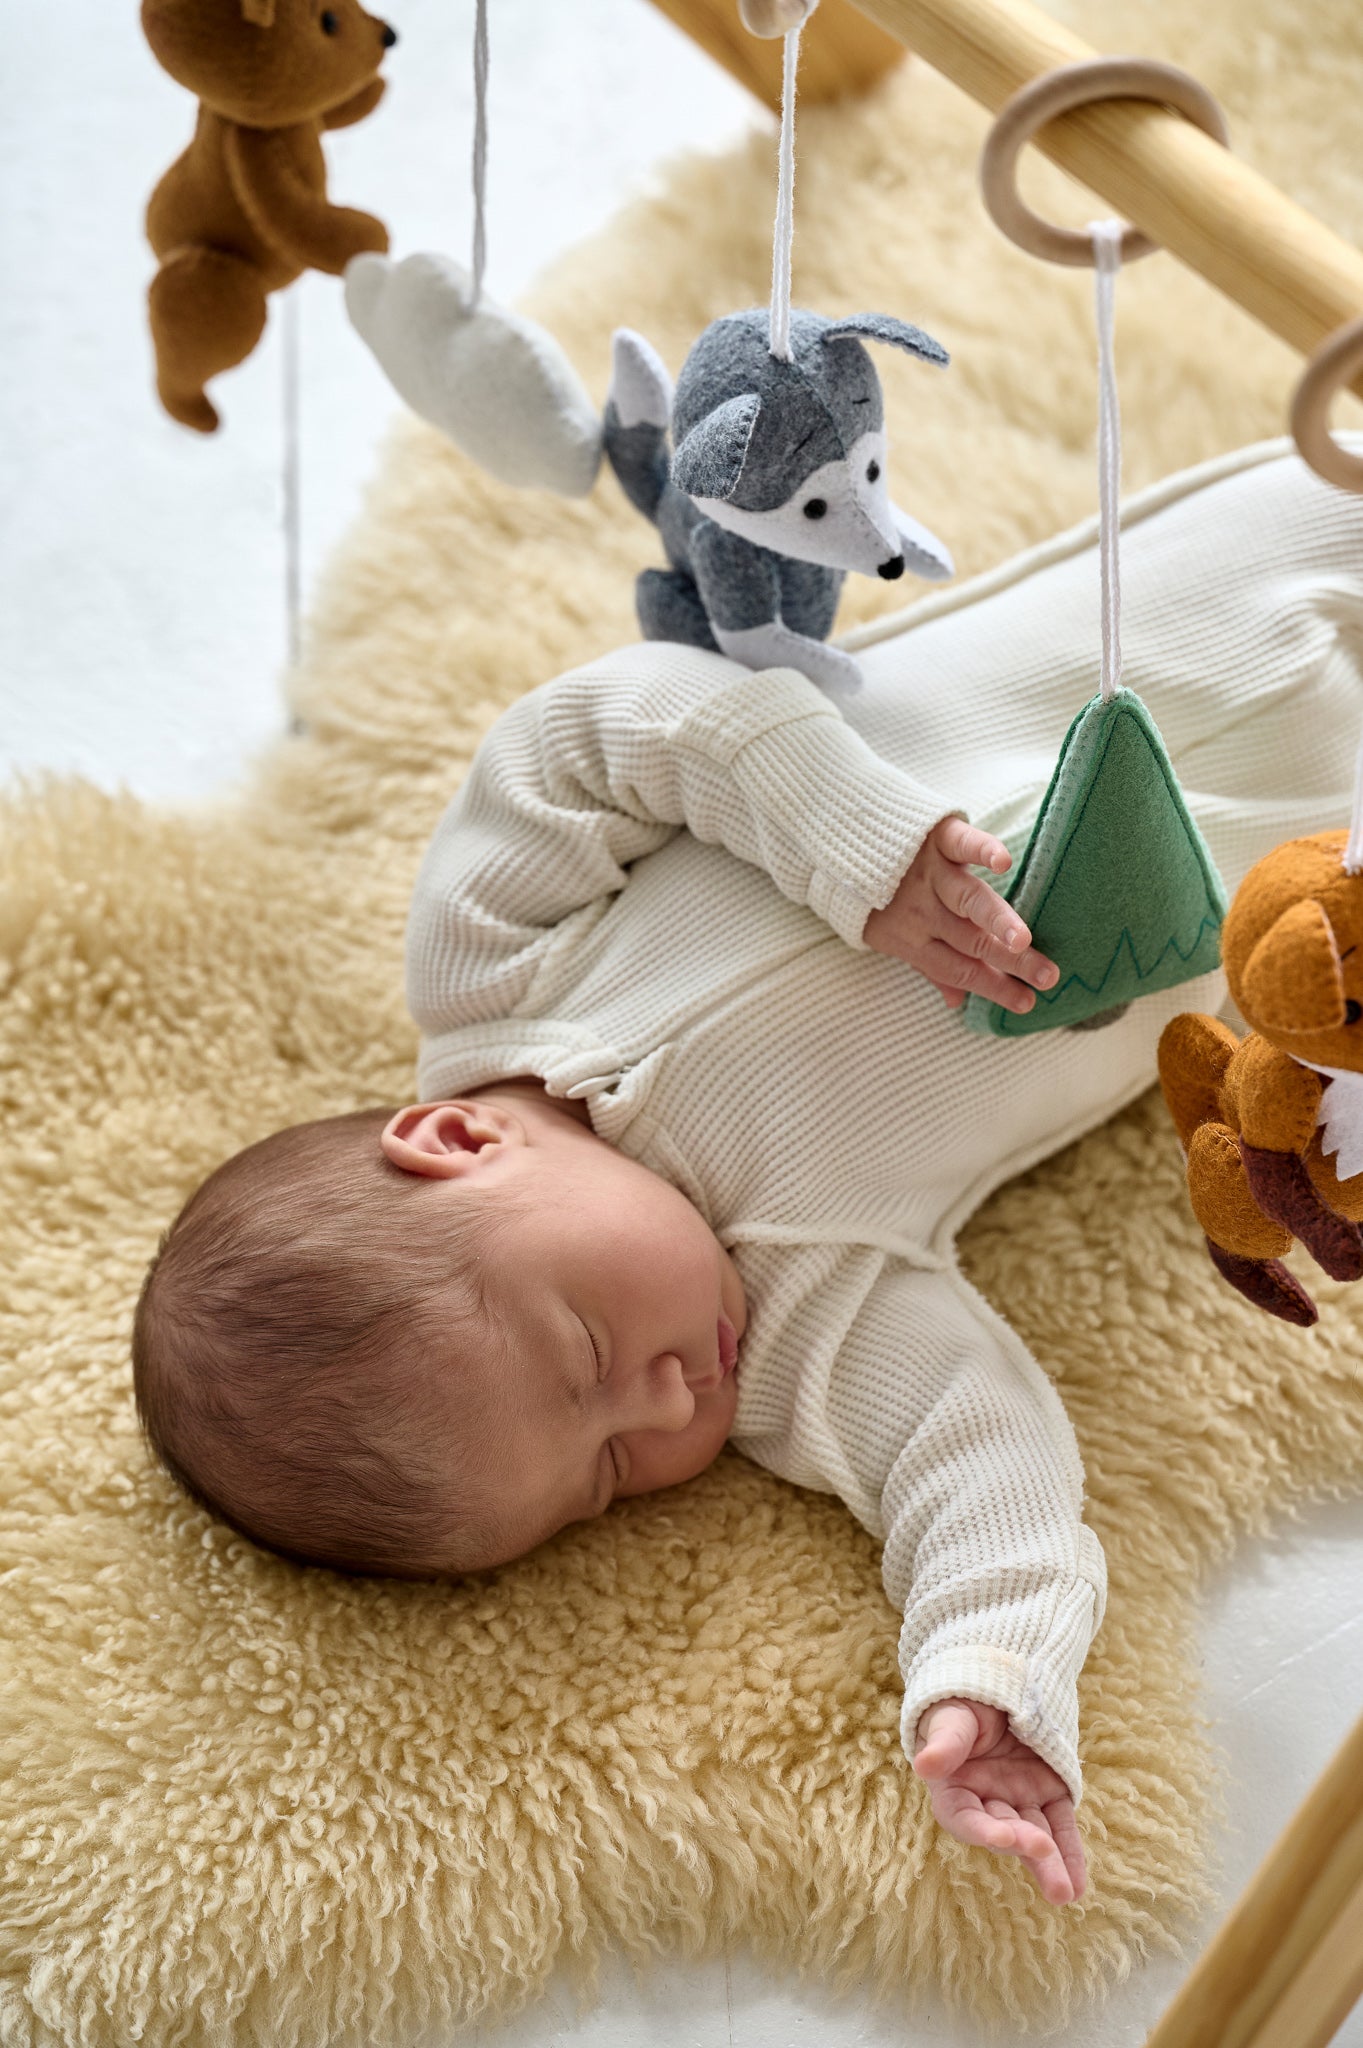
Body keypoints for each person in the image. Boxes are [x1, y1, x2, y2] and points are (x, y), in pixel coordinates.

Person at [132, 441, 1363, 1908]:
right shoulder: (796, 1314)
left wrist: (864, 850)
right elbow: (968, 1460)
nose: (665, 1407)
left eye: (585, 1357)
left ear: (458, 1145)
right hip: (1315, 892)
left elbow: (615, 724)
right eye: (602, 1481)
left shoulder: (491, 958)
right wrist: (986, 1671)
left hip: (1190, 606)